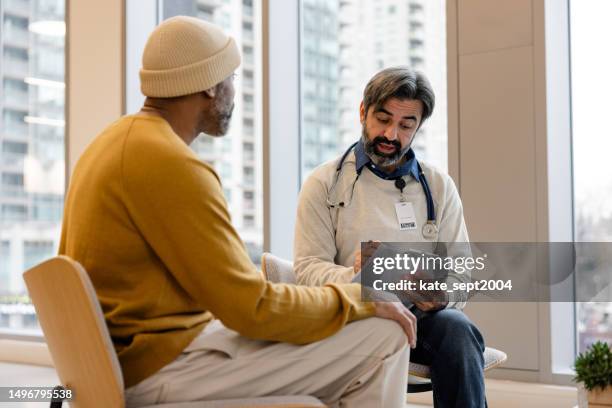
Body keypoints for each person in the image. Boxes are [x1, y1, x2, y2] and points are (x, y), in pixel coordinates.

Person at [58, 17, 416, 407]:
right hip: (161, 368)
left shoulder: (111, 143)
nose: (234, 91)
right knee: (384, 333)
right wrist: (360, 298)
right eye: (232, 78)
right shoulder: (171, 164)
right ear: (210, 84)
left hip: (135, 356)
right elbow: (252, 308)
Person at [294, 66, 487, 408]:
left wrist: (441, 296)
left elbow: (463, 273)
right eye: (382, 119)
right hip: (353, 312)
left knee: (457, 330)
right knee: (379, 330)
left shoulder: (439, 187)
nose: (391, 134)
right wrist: (355, 275)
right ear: (362, 111)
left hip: (421, 319)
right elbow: (308, 268)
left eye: (405, 125)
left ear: (418, 127)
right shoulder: (323, 183)